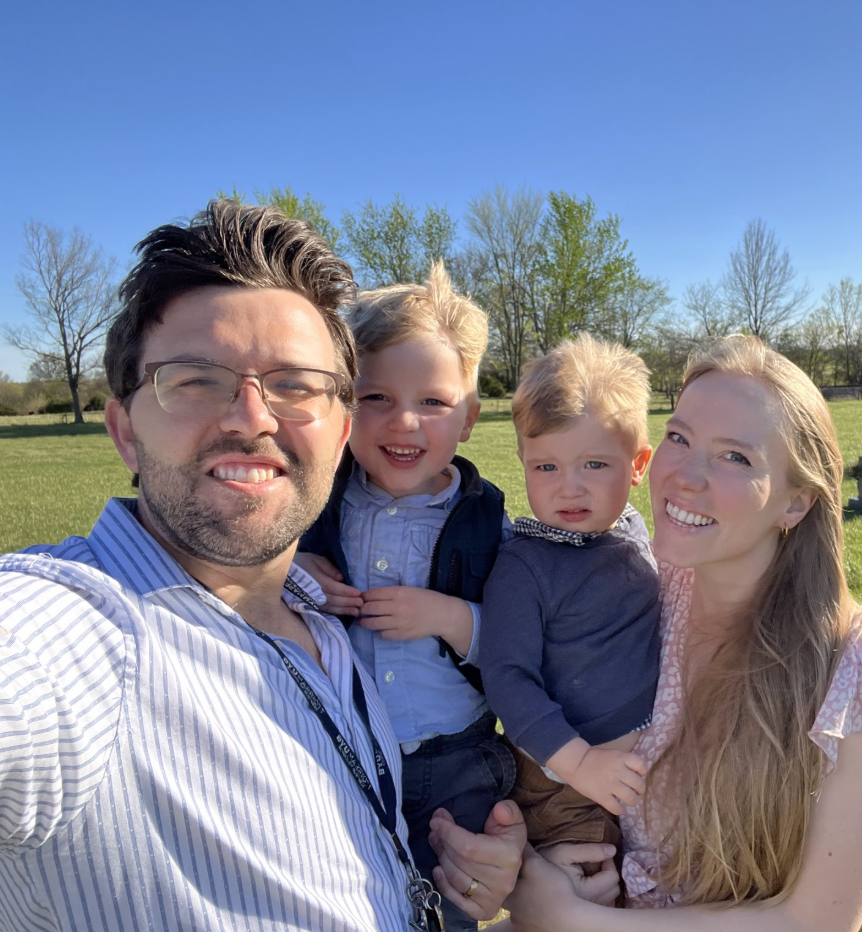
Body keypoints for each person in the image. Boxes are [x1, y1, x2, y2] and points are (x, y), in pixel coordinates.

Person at [0, 201, 524, 932]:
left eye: (295, 384)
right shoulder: (80, 634)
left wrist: (458, 869)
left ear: (337, 432)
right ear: (124, 430)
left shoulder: (323, 620)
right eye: (194, 380)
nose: (252, 418)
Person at [502, 335, 862, 932]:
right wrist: (537, 855)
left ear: (795, 504)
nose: (685, 476)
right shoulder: (641, 583)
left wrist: (569, 918)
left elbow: (818, 920)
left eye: (735, 457)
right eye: (679, 438)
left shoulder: (844, 668)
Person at [297, 261, 516, 932]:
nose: (405, 423)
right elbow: (257, 594)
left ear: (470, 418)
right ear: (342, 408)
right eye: (376, 399)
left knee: (448, 905)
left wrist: (450, 617)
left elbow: (520, 642)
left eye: (433, 403)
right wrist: (295, 570)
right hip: (343, 756)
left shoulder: (488, 522)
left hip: (456, 764)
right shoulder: (315, 506)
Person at [479, 335, 660, 866]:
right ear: (523, 461)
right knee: (589, 893)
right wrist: (579, 763)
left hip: (644, 768)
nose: (569, 489)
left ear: (638, 464)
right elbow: (507, 677)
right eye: (547, 467)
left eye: (594, 465)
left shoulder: (633, 534)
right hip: (564, 779)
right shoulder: (526, 564)